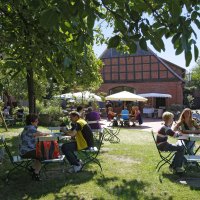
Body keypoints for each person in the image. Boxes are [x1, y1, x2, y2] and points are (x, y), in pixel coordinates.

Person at [19, 114, 49, 181]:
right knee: (42, 155)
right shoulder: (30, 128)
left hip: (25, 150)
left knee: (39, 153)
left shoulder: (28, 127)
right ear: (31, 122)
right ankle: (36, 173)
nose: (38, 122)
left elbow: (38, 134)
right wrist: (48, 134)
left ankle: (32, 168)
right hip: (26, 151)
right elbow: (41, 134)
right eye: (36, 121)